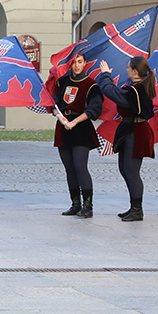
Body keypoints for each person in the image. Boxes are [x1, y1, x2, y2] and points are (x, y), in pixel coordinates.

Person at [96, 56, 156, 222]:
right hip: (130, 129)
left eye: (129, 67)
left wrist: (106, 75)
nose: (127, 69)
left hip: (136, 131)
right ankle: (133, 207)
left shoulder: (137, 90)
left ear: (135, 71)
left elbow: (111, 92)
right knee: (125, 169)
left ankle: (137, 210)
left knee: (131, 171)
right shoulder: (135, 87)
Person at [54, 53, 103, 219]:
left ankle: (88, 205)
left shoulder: (91, 85)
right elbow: (54, 103)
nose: (76, 65)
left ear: (85, 64)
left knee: (80, 166)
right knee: (69, 168)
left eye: (80, 62)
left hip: (80, 127)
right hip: (63, 125)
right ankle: (75, 204)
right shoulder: (62, 82)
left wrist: (74, 122)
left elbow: (94, 108)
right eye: (74, 62)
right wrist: (61, 118)